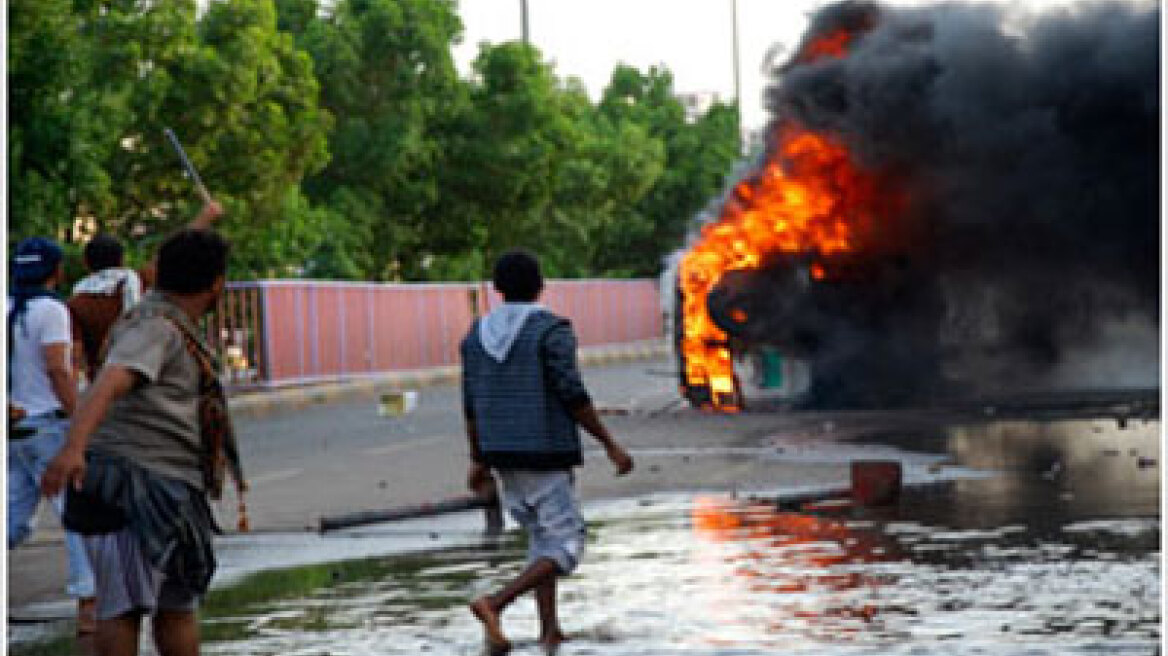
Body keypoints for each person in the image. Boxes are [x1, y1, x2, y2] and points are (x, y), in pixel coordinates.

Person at [41, 215, 247, 656]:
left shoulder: (161, 315)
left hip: (171, 487)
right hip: (129, 485)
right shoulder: (153, 327)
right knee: (123, 610)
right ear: (216, 285)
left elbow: (161, 265)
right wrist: (73, 448)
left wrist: (204, 220)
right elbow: (110, 380)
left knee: (176, 606)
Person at [461, 250, 634, 654]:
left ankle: (549, 631)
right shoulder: (551, 330)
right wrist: (610, 444)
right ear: (540, 286)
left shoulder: (476, 335)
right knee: (566, 544)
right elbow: (572, 393)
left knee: (541, 541)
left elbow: (470, 405)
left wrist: (478, 460)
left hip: (502, 453)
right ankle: (495, 603)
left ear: (498, 289)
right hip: (544, 452)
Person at [8, 237, 99, 632]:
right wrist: (81, 419)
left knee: (13, 519)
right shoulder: (51, 310)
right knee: (76, 516)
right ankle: (88, 605)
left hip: (15, 428)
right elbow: (58, 370)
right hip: (48, 425)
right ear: (55, 271)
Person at [68, 234, 143, 384]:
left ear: (86, 263)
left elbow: (76, 354)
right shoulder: (137, 285)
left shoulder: (76, 301)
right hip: (138, 374)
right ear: (121, 260)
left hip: (99, 380)